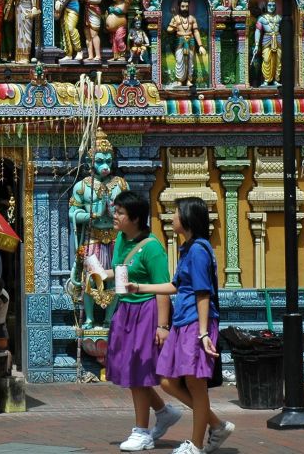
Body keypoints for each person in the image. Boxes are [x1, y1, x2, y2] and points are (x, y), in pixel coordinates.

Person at [126, 198, 234, 454]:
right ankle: (216, 424)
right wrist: (140, 287)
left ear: (187, 218)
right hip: (183, 321)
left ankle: (196, 445)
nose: (170, 217)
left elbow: (202, 293)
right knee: (167, 381)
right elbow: (176, 286)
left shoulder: (198, 250)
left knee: (196, 385)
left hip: (195, 323)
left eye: (174, 213)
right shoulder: (188, 249)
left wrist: (204, 332)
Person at [102, 191, 181, 452]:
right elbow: (124, 271)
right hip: (125, 310)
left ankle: (142, 431)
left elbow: (163, 288)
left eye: (120, 213)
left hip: (146, 312)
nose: (115, 216)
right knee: (129, 368)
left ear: (135, 218)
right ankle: (162, 411)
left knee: (139, 371)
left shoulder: (152, 248)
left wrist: (162, 325)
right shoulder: (122, 239)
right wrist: (104, 274)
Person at [165, 0, 207, 88]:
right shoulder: (175, 18)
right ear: (179, 7)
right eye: (183, 6)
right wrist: (174, 27)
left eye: (186, 6)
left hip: (190, 40)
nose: (185, 8)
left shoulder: (192, 18)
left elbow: (196, 31)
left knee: (190, 61)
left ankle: (189, 80)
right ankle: (180, 80)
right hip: (179, 41)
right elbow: (168, 29)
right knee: (180, 60)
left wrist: (200, 45)